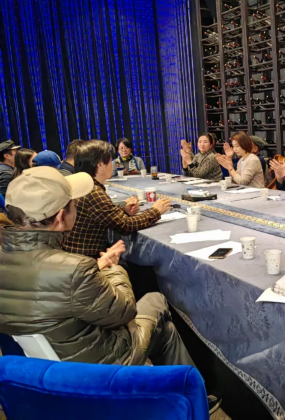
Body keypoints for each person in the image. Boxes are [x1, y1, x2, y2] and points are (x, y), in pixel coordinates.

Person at [0, 166, 195, 367]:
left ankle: (180, 383)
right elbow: (125, 312)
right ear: (60, 217)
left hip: (49, 365)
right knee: (156, 299)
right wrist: (113, 269)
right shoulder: (74, 269)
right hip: (103, 365)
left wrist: (96, 267)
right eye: (75, 204)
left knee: (167, 332)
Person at [62, 140, 171, 258]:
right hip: (86, 259)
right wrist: (155, 211)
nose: (112, 164)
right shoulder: (93, 191)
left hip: (77, 254)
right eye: (110, 161)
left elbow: (102, 213)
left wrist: (123, 210)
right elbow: (125, 225)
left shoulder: (84, 185)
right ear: (100, 165)